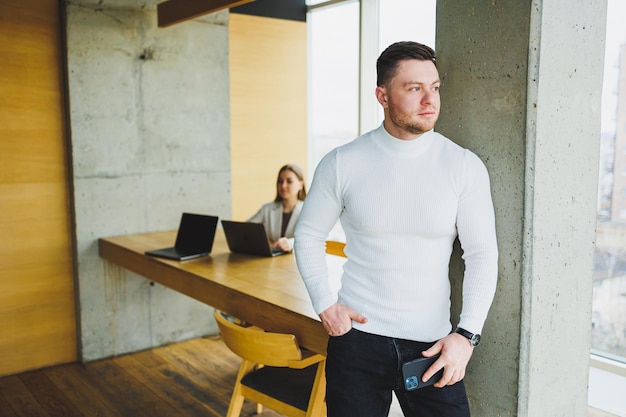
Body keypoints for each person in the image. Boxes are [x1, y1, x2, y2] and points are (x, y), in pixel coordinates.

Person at [294, 41, 498, 417]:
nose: (429, 100)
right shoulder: (343, 162)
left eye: (434, 87)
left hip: (431, 346)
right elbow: (307, 235)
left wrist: (467, 336)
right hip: (357, 341)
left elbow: (482, 254)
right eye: (414, 88)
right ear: (382, 95)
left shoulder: (462, 166)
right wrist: (324, 303)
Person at [248, 163, 306, 253]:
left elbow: (313, 238)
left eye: (289, 181)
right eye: (280, 181)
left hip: (295, 262)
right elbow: (247, 228)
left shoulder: (308, 210)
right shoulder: (267, 208)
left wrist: (291, 243)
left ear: (301, 185)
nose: (283, 185)